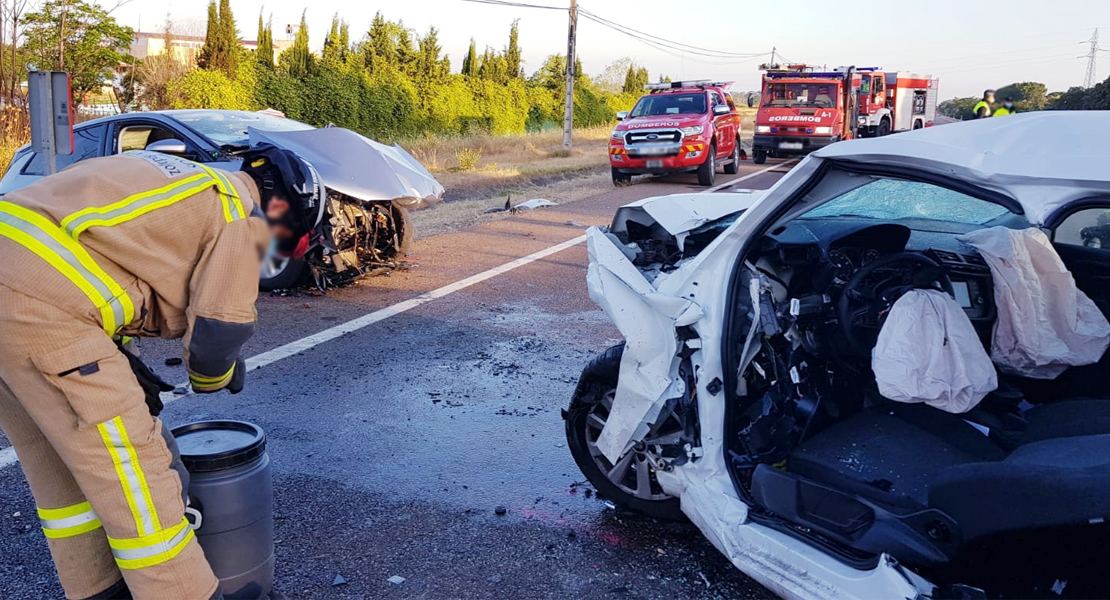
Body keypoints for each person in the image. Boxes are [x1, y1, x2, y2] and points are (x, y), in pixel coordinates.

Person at [0, 145, 322, 600]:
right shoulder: (238, 212)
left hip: (20, 299)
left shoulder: (173, 172)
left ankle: (97, 591)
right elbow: (219, 328)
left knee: (61, 473)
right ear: (286, 208)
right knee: (141, 480)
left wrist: (119, 357)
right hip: (41, 308)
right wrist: (215, 376)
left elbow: (101, 257)